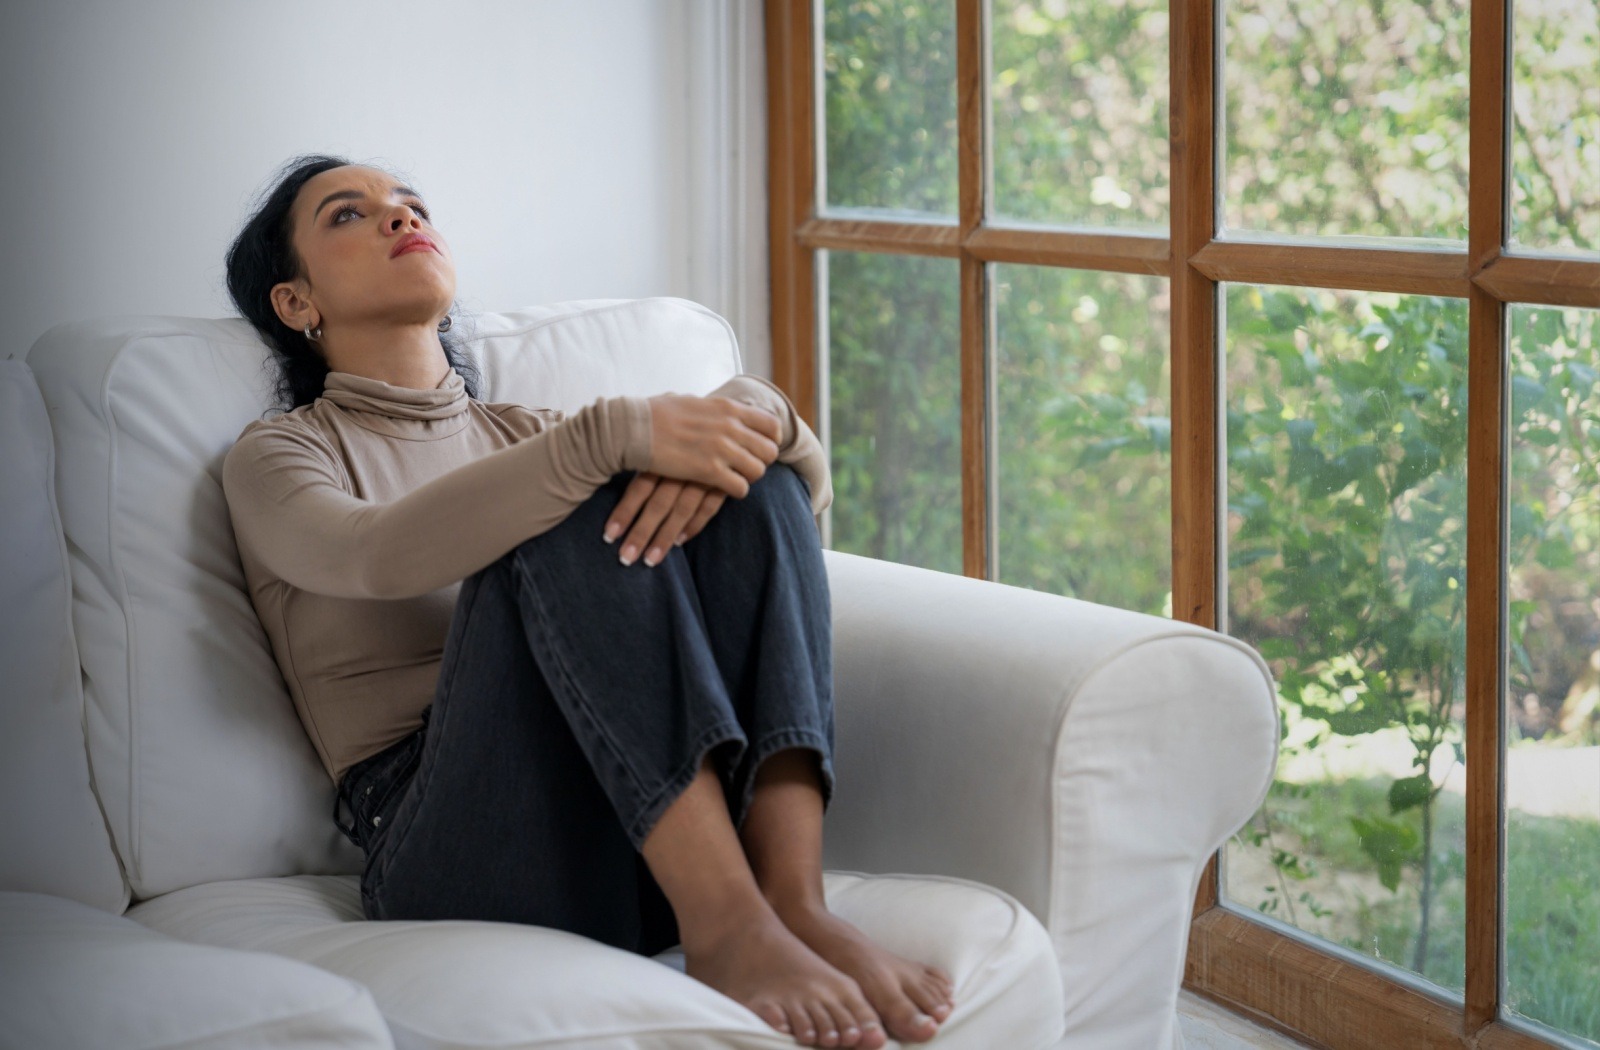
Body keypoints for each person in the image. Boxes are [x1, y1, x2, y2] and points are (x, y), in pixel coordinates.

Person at [217, 154, 955, 1050]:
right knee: (570, 507)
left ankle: (794, 903)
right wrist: (605, 441)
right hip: (455, 847)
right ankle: (727, 928)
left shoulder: (534, 435)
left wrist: (751, 408)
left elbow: (801, 494)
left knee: (749, 480)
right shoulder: (280, 455)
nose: (401, 217)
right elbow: (371, 555)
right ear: (295, 302)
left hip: (637, 826)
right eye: (349, 213)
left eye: (411, 203)